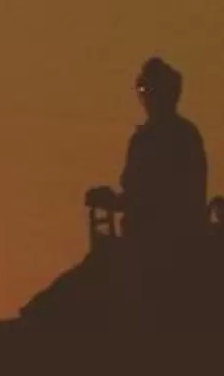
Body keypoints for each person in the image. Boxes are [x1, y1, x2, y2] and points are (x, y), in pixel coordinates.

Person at [88, 56, 207, 248]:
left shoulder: (166, 138)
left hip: (155, 245)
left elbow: (154, 200)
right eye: (141, 89)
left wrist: (112, 201)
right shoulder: (181, 134)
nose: (144, 97)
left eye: (149, 89)